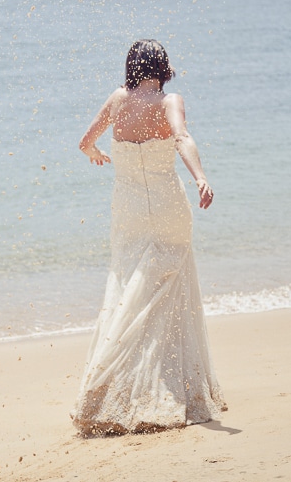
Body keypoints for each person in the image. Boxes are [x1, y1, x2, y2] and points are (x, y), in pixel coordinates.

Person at [71, 39, 226, 436]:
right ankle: (171, 389)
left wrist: (95, 154)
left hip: (128, 213)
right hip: (168, 206)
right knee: (167, 296)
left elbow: (85, 142)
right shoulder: (169, 100)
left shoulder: (118, 100)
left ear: (130, 66)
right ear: (163, 66)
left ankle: (106, 391)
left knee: (129, 290)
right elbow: (182, 138)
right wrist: (201, 177)